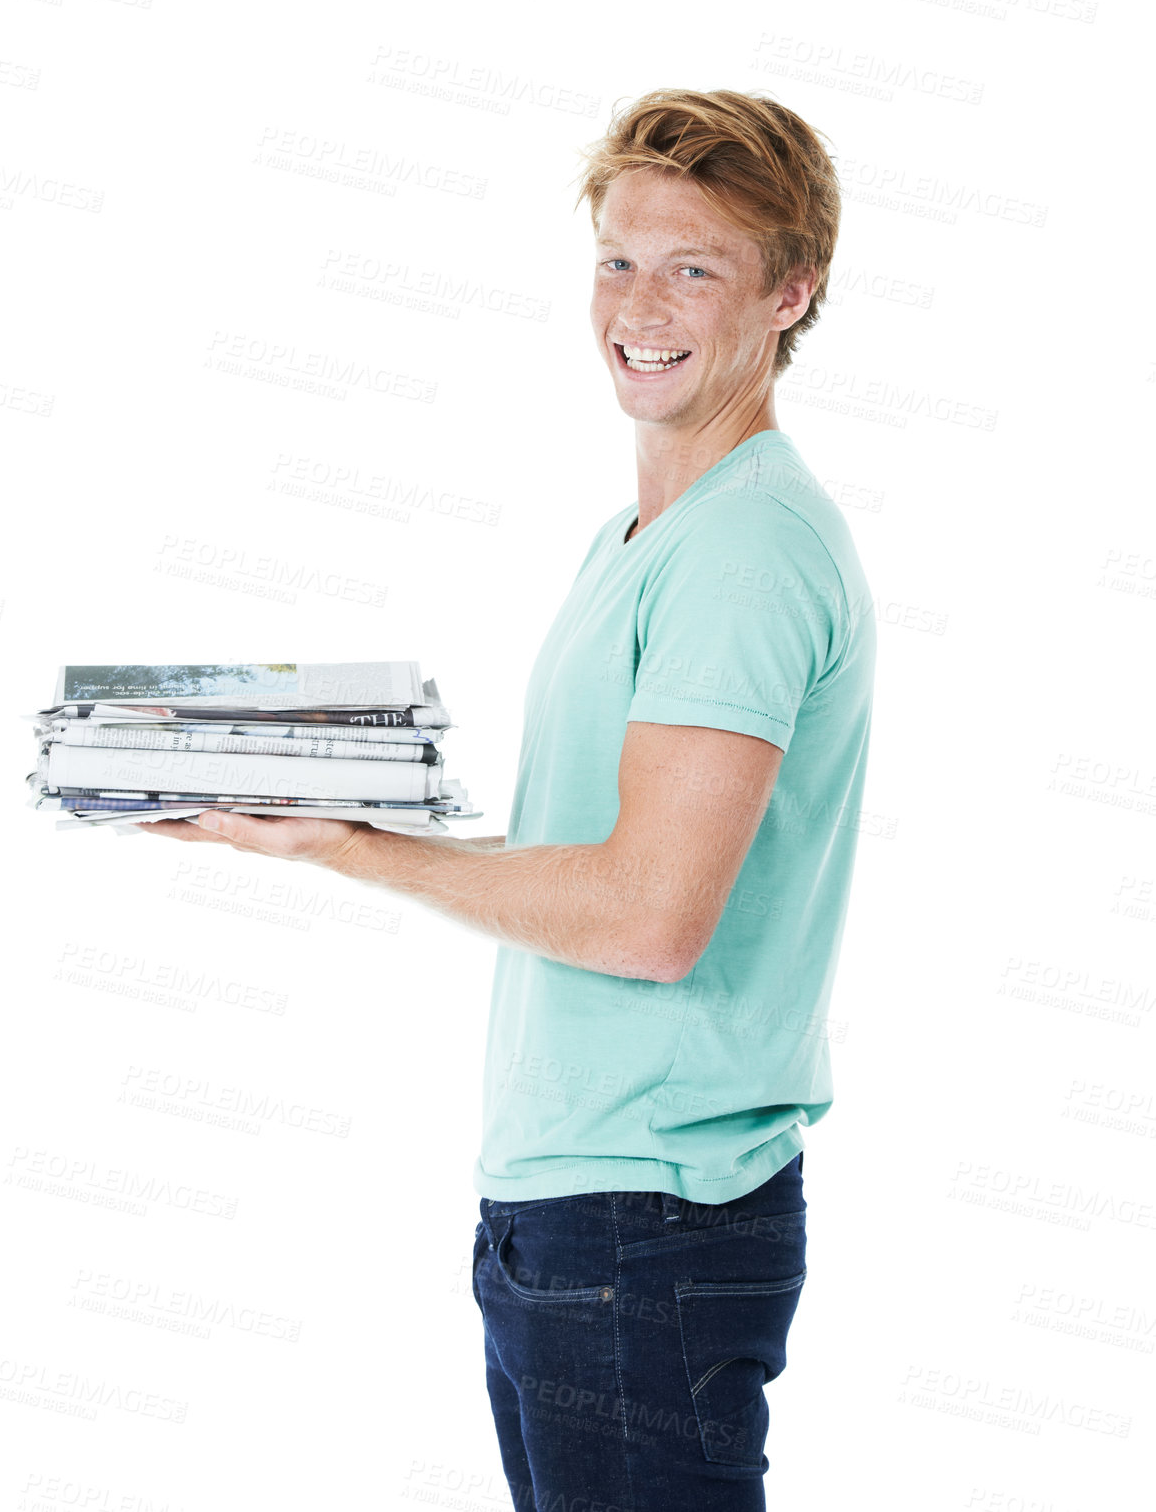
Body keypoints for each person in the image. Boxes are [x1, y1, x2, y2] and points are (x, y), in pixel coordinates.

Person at [138, 86, 876, 1511]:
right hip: (587, 1217)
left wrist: (361, 849)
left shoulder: (746, 548)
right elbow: (596, 862)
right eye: (616, 257)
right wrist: (336, 813)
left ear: (792, 292)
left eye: (695, 266)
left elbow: (653, 916)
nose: (638, 303)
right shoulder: (647, 538)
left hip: (645, 1222)